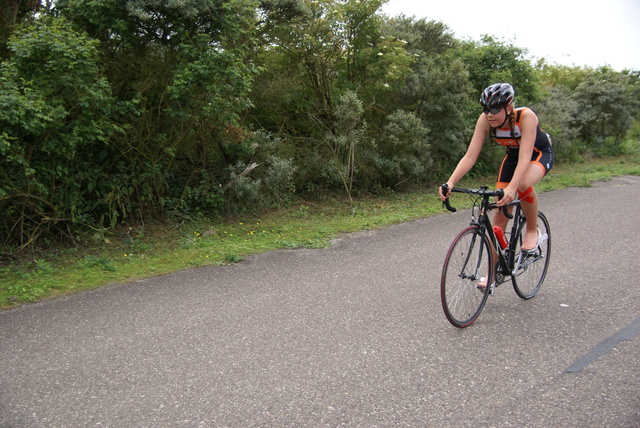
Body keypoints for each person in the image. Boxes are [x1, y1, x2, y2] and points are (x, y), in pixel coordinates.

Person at [439, 82, 554, 253]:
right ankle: (492, 274)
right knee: (498, 219)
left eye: (494, 110)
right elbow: (470, 156)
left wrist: (511, 188)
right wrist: (451, 182)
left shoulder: (526, 116)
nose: (489, 115)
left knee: (523, 185)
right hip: (513, 156)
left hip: (538, 154)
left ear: (508, 108)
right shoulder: (484, 120)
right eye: (486, 109)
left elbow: (525, 157)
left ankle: (532, 229)